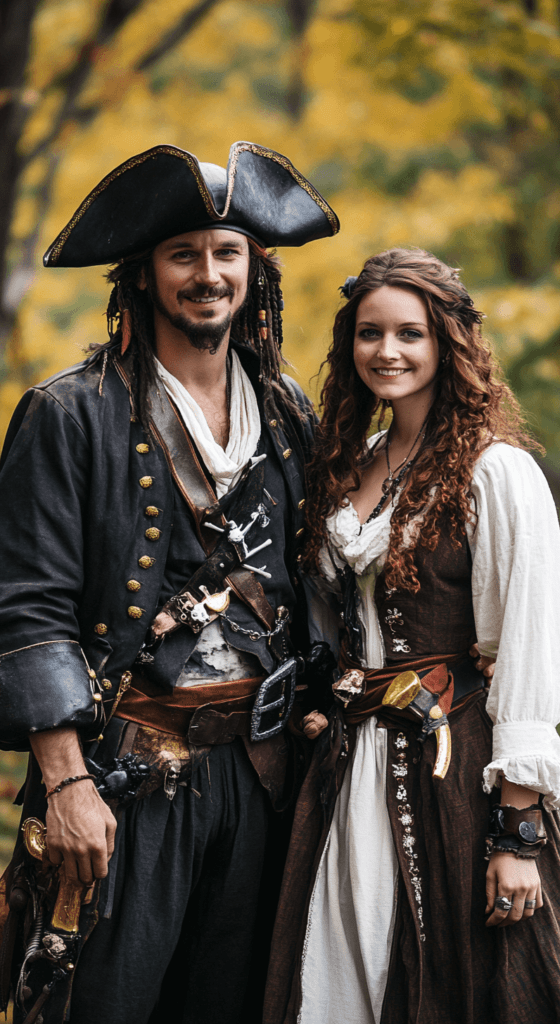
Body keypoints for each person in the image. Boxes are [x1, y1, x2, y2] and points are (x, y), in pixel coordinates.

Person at [0, 142, 339, 1024]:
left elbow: (315, 586)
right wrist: (68, 785)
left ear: (253, 273)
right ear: (143, 276)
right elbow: (26, 607)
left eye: (227, 254)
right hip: (125, 778)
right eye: (183, 254)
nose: (208, 274)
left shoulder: (291, 413)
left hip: (263, 776)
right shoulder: (68, 413)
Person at [263, 247, 560, 1024]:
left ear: (447, 343)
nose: (388, 352)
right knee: (340, 974)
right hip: (346, 767)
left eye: (410, 333)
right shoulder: (351, 465)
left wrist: (519, 829)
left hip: (453, 768)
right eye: (370, 334)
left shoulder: (497, 473)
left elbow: (531, 646)